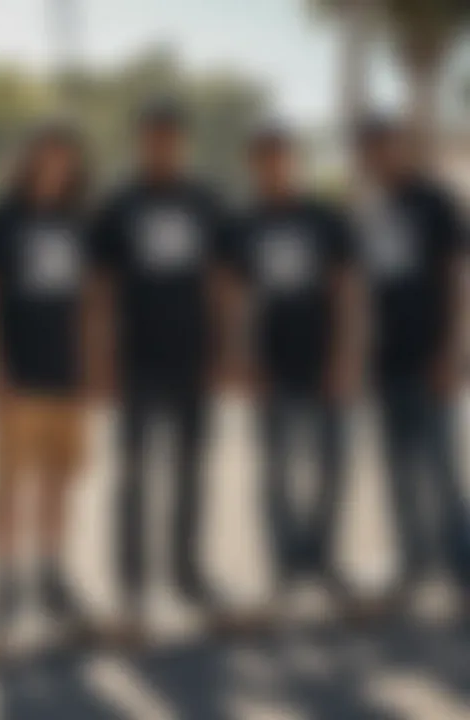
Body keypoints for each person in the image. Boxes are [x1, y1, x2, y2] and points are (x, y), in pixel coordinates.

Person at [91, 99, 227, 627]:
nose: (162, 145)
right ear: (139, 141)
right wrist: (100, 356)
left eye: (170, 137)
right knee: (134, 476)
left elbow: (219, 283)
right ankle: (131, 582)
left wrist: (226, 350)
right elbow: (100, 288)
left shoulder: (205, 201)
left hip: (194, 358)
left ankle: (186, 571)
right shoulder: (118, 205)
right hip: (135, 361)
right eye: (152, 136)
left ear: (183, 142)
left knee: (192, 471)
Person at [226, 125, 362, 602]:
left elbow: (346, 292)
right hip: (270, 368)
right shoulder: (244, 225)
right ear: (253, 166)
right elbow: (235, 299)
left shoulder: (325, 219)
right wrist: (242, 361)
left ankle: (321, 561)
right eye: (264, 158)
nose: (274, 166)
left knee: (333, 469)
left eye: (281, 157)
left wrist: (344, 357)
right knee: (276, 474)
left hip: (324, 363)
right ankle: (284, 568)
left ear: (294, 161)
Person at [0, 122, 91, 630]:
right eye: (44, 155)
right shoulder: (0, 221)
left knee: (58, 483)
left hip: (67, 375)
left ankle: (50, 573)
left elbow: (89, 302)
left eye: (63, 157)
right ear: (27, 160)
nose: (54, 165)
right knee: (5, 485)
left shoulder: (77, 223)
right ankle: (3, 579)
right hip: (16, 376)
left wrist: (93, 364)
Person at [354, 115, 470, 608]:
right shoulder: (371, 210)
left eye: (386, 145)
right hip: (386, 363)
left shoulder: (434, 202)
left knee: (441, 474)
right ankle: (411, 567)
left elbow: (458, 280)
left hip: (431, 360)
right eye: (370, 148)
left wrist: (454, 352)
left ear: (400, 147)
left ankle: (462, 574)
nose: (379, 155)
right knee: (398, 472)